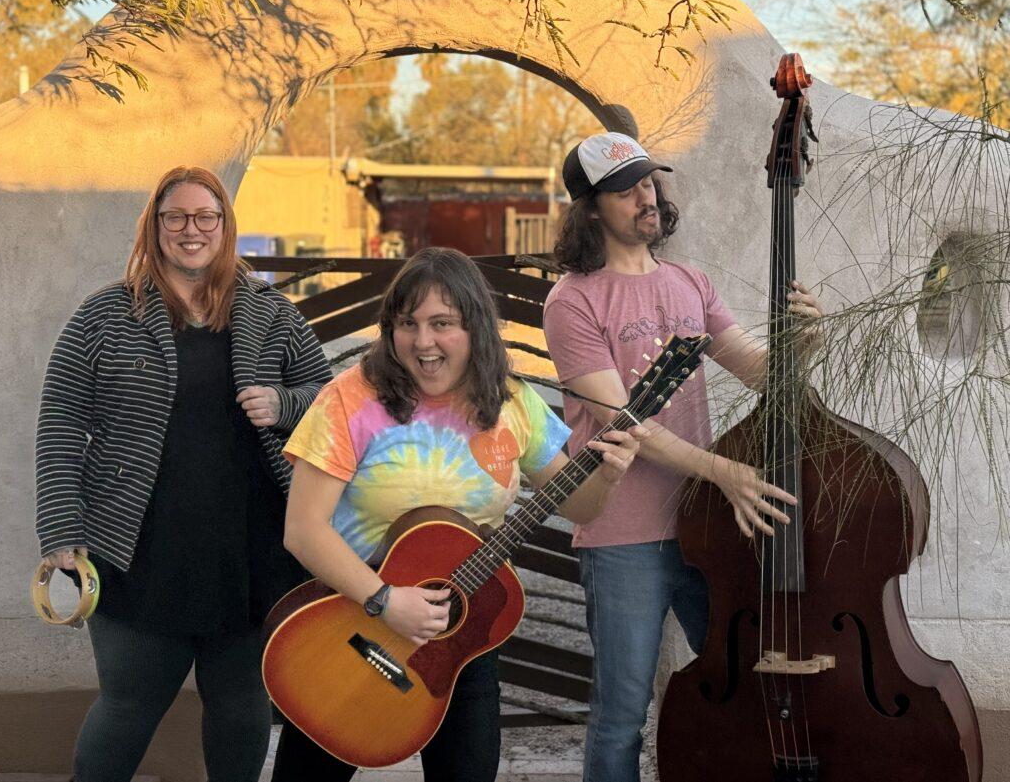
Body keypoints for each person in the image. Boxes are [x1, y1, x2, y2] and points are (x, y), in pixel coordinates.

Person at [271, 246, 646, 782]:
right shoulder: (350, 400)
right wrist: (385, 600)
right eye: (408, 323)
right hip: (351, 634)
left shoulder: (512, 401)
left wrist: (607, 476)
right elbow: (303, 530)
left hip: (463, 638)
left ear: (475, 327)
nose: (423, 342)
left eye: (442, 323)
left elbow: (575, 503)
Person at [542, 132, 824, 782]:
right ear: (590, 209)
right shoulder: (572, 301)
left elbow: (760, 372)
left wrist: (803, 340)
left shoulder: (689, 282)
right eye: (625, 189)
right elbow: (625, 422)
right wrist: (725, 471)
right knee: (623, 713)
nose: (646, 196)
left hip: (704, 528)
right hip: (623, 536)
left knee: (741, 684)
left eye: (648, 182)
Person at [34, 166, 332, 782]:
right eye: (175, 217)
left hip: (252, 552)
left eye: (205, 217)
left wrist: (284, 404)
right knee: (128, 703)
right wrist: (61, 527)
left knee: (241, 704)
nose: (190, 230)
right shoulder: (105, 315)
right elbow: (60, 420)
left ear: (225, 226)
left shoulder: (271, 313)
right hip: (137, 550)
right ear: (154, 226)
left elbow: (331, 405)